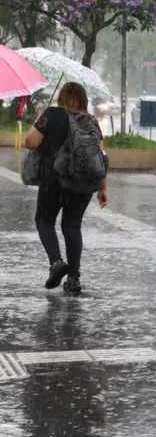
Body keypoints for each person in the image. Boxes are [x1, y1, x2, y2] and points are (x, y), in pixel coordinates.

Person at [24, 83, 109, 294]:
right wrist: (102, 188)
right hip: (82, 184)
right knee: (72, 227)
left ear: (61, 97)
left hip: (54, 180)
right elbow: (101, 156)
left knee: (44, 220)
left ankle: (56, 262)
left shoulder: (51, 115)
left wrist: (39, 119)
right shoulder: (91, 122)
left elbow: (30, 142)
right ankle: (74, 279)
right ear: (83, 100)